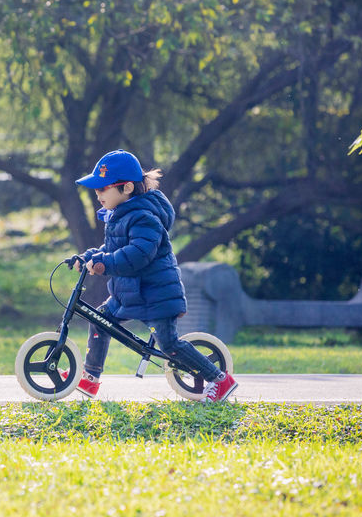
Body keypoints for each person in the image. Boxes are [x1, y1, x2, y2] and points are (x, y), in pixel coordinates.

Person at [69, 149, 238, 403]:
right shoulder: (120, 216)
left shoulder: (144, 217)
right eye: (96, 190)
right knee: (99, 320)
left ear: (126, 188)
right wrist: (89, 257)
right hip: (129, 293)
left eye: (103, 188)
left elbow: (138, 254)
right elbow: (112, 250)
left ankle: (220, 380)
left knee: (169, 345)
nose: (98, 194)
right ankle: (90, 378)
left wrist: (104, 264)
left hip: (156, 294)